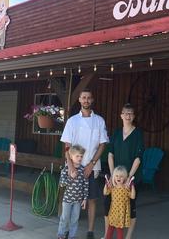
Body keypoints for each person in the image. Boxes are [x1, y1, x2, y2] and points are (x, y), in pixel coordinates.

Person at [61, 89, 109, 239]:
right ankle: (66, 230)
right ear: (80, 100)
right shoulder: (72, 121)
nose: (86, 100)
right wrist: (70, 166)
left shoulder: (99, 120)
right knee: (71, 200)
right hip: (74, 168)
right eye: (83, 98)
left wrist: (91, 164)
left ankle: (90, 231)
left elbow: (102, 144)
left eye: (89, 98)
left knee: (92, 199)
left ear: (92, 100)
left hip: (92, 167)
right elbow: (67, 146)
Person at [105, 104, 143, 239]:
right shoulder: (116, 133)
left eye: (131, 113)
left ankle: (128, 237)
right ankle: (107, 235)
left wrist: (129, 177)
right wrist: (113, 176)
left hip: (131, 177)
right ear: (121, 115)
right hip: (116, 177)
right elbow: (110, 154)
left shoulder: (138, 134)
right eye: (125, 113)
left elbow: (138, 158)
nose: (128, 116)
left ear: (133, 116)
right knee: (111, 205)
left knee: (130, 207)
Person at [58, 144, 88, 239]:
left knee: (75, 219)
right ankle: (61, 234)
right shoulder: (66, 169)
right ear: (71, 157)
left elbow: (85, 185)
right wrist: (71, 177)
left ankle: (72, 236)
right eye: (77, 156)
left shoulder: (83, 169)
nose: (80, 158)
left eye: (81, 156)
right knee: (65, 218)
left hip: (78, 201)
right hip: (67, 200)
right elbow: (62, 184)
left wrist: (85, 199)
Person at [103, 166, 135, 239]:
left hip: (121, 213)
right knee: (110, 229)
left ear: (125, 178)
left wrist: (132, 186)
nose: (118, 178)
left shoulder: (126, 188)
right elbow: (105, 193)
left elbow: (132, 196)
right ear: (114, 177)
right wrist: (106, 184)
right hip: (113, 212)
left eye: (121, 176)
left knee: (119, 231)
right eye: (116, 176)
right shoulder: (113, 187)